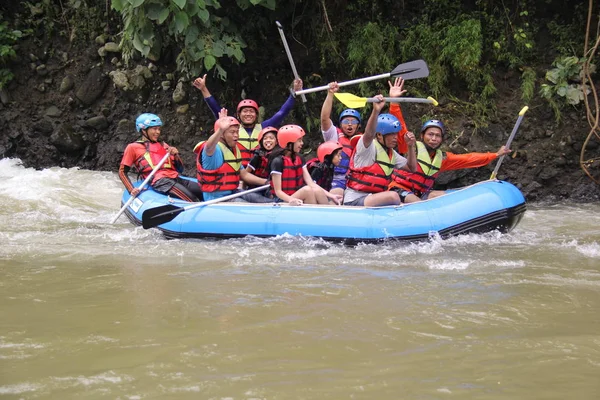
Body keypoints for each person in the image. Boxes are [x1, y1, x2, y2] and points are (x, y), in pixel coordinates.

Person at [388, 109, 512, 202]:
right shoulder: (409, 146)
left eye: (437, 136)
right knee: (417, 203)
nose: (433, 139)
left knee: (446, 197)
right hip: (398, 190)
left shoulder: (442, 158)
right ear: (422, 136)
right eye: (430, 134)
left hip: (420, 193)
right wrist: (394, 102)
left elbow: (468, 159)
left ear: (441, 139)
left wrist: (496, 154)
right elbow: (399, 125)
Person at [193, 75, 303, 167]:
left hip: (257, 171)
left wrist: (294, 94)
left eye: (251, 111)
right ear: (239, 115)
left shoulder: (263, 127)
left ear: (256, 115)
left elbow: (281, 113)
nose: (248, 114)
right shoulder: (231, 128)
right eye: (245, 111)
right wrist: (203, 88)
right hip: (239, 171)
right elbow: (216, 108)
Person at [343, 92, 417, 207]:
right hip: (354, 201)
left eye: (396, 134)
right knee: (393, 196)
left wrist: (411, 146)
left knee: (401, 200)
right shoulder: (367, 147)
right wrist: (376, 110)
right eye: (391, 134)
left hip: (375, 199)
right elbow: (369, 133)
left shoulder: (391, 154)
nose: (395, 138)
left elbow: (412, 168)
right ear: (379, 135)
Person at [119, 113, 203, 202]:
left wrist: (176, 155)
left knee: (206, 191)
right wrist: (131, 189)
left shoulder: (163, 145)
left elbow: (180, 169)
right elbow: (122, 172)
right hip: (161, 182)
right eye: (154, 129)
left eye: (159, 129)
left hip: (176, 178)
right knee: (193, 200)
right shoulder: (133, 147)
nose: (158, 132)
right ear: (144, 130)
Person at [194, 111, 267, 202]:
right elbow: (209, 147)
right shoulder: (213, 150)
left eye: (237, 132)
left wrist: (266, 182)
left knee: (263, 200)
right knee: (245, 206)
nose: (236, 135)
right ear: (221, 135)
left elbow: (244, 174)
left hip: (233, 192)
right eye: (232, 132)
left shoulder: (233, 150)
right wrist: (220, 130)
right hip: (217, 199)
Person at [268, 124, 340, 206]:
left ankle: (326, 215)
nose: (302, 143)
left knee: (317, 190)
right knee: (307, 190)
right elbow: (278, 192)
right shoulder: (277, 161)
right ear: (289, 142)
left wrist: (332, 196)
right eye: (299, 140)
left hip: (296, 197)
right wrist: (291, 199)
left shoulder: (299, 158)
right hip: (282, 200)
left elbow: (311, 183)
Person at [320, 81, 362, 197]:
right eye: (346, 121)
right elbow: (324, 119)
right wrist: (330, 94)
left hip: (355, 179)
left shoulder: (362, 140)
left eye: (353, 122)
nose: (349, 125)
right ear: (340, 123)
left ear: (358, 126)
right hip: (337, 178)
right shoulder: (333, 134)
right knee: (337, 196)